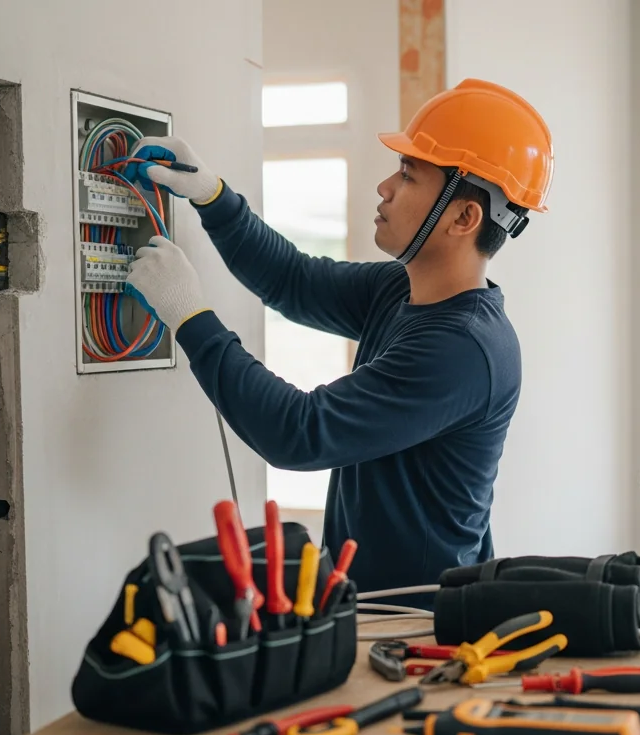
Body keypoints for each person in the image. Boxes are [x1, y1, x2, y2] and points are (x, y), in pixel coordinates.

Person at [121, 79, 554, 609]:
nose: (385, 188)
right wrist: (214, 197)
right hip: (373, 607)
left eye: (408, 176)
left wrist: (189, 316)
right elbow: (295, 282)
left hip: (413, 623)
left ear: (464, 217)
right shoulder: (403, 289)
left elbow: (300, 433)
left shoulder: (463, 350)